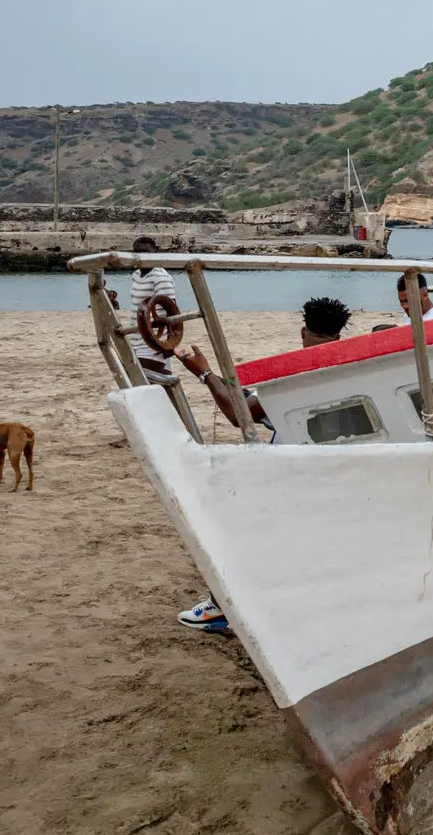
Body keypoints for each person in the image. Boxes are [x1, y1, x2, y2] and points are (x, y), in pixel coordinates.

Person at [174, 297, 350, 632]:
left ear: (302, 331)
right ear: (338, 337)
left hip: (287, 474)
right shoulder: (343, 366)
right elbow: (249, 401)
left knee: (230, 526)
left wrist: (204, 372)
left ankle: (221, 609)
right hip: (331, 472)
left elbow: (237, 414)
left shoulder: (293, 376)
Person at [125, 236, 179, 383]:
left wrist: (169, 342)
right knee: (164, 386)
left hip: (154, 341)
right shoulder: (136, 274)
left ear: (155, 251)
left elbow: (172, 310)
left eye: (146, 251)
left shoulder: (161, 278)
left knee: (143, 384)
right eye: (137, 252)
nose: (142, 255)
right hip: (137, 337)